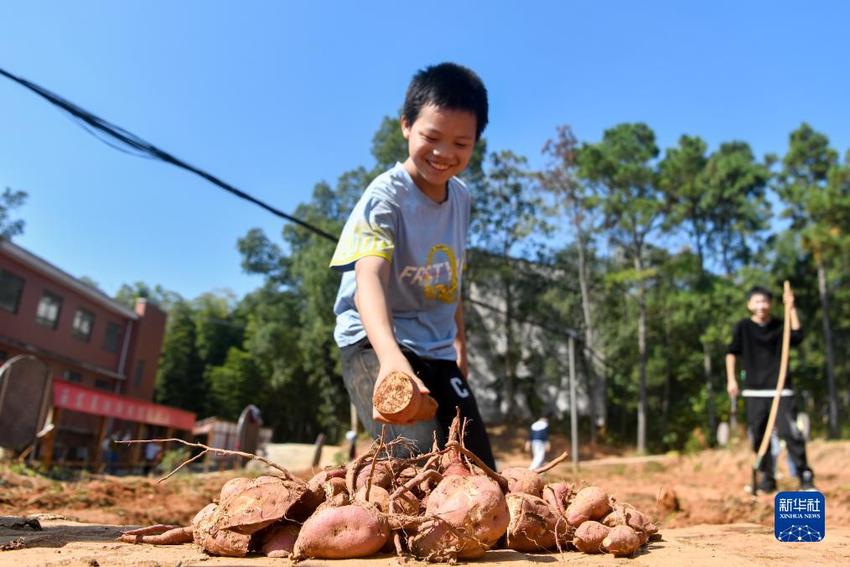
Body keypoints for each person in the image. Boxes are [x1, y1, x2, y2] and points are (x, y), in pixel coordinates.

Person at [330, 62, 496, 469]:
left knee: (480, 471)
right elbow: (367, 277)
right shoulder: (385, 197)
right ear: (406, 125)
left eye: (462, 143)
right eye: (431, 137)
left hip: (437, 350)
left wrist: (460, 344)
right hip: (375, 342)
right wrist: (389, 360)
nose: (444, 154)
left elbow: (449, 275)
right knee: (417, 461)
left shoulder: (461, 199)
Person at [726, 285, 815, 492]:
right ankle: (767, 478)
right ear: (750, 305)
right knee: (758, 435)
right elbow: (731, 352)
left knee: (790, 433)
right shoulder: (743, 327)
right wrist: (732, 379)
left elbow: (797, 336)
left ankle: (805, 476)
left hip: (781, 389)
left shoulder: (779, 326)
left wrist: (791, 308)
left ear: (771, 304)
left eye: (765, 301)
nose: (761, 305)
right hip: (754, 391)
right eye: (757, 301)